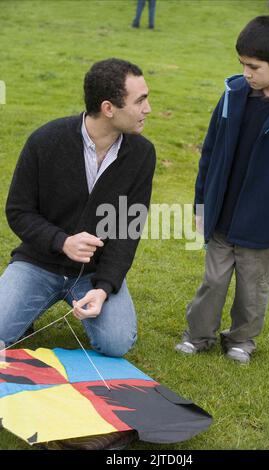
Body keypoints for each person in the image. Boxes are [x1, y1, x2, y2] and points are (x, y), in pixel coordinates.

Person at [0, 58, 155, 449]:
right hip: (38, 262)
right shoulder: (45, 141)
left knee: (118, 342)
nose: (147, 109)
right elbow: (17, 211)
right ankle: (26, 314)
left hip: (93, 275)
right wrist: (61, 241)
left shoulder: (142, 154)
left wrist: (104, 287)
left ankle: (74, 302)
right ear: (108, 108)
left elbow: (126, 232)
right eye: (140, 101)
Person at [175, 16, 269, 364]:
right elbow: (210, 151)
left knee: (253, 290)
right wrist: (201, 204)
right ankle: (198, 335)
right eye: (242, 64)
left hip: (265, 228)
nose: (246, 73)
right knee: (212, 282)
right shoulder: (232, 95)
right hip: (221, 218)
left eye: (254, 67)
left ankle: (242, 340)